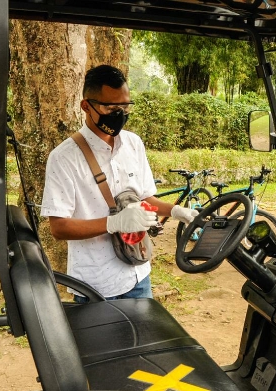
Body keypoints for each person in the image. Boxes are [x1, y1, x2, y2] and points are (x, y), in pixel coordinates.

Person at [41, 64, 198, 302]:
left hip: (138, 273)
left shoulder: (133, 144)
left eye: (124, 107)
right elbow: (58, 227)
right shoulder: (64, 157)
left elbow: (144, 197)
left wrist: (176, 211)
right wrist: (113, 223)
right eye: (110, 107)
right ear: (86, 106)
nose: (119, 113)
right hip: (96, 284)